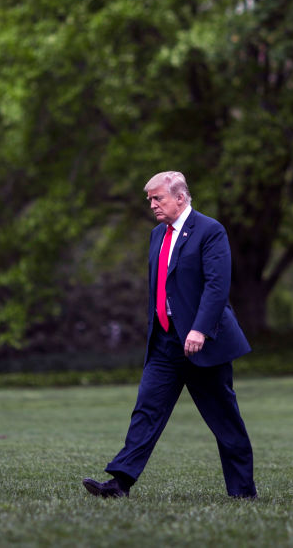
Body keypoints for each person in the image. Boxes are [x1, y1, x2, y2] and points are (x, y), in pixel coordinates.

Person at [83, 171, 257, 499]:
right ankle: (119, 483)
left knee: (225, 421)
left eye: (157, 198)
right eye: (150, 199)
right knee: (146, 411)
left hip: (202, 343)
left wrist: (200, 329)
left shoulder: (210, 231)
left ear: (180, 197)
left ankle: (243, 492)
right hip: (165, 343)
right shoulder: (156, 236)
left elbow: (217, 286)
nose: (152, 204)